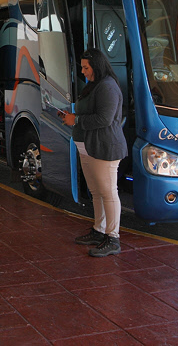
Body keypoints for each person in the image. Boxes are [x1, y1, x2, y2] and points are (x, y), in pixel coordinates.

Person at [61, 48, 128, 257]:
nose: (83, 71)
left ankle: (113, 238)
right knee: (97, 192)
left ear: (96, 66)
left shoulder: (107, 86)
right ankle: (99, 231)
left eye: (86, 67)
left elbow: (104, 119)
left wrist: (77, 120)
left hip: (104, 147)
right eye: (82, 67)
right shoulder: (94, 85)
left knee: (108, 193)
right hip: (89, 146)